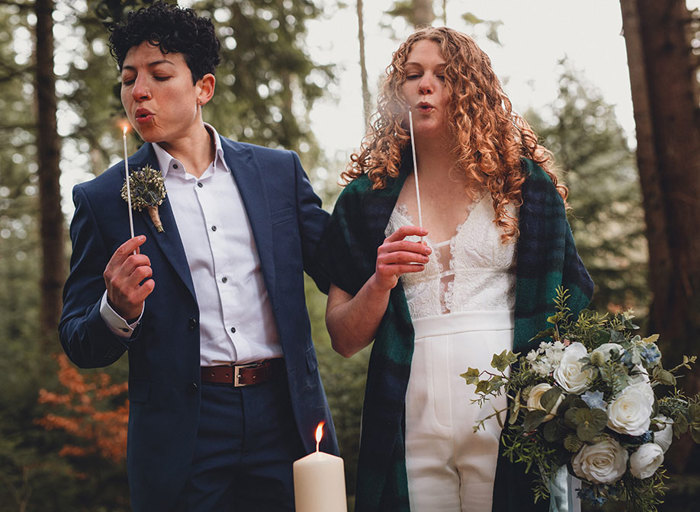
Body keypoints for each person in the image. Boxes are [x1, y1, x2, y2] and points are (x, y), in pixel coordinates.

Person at [58, 3, 337, 511]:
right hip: (182, 433)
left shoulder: (278, 173)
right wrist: (117, 310)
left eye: (159, 75)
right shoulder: (101, 199)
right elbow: (79, 342)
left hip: (285, 415)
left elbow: (343, 268)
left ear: (203, 88)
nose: (138, 91)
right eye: (127, 78)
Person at [319, 27, 593, 512]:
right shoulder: (365, 200)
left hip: (511, 403)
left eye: (444, 76)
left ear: (472, 90)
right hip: (407, 402)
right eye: (412, 74)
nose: (425, 85)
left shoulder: (524, 187)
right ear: (398, 90)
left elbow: (567, 306)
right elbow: (343, 338)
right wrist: (381, 280)